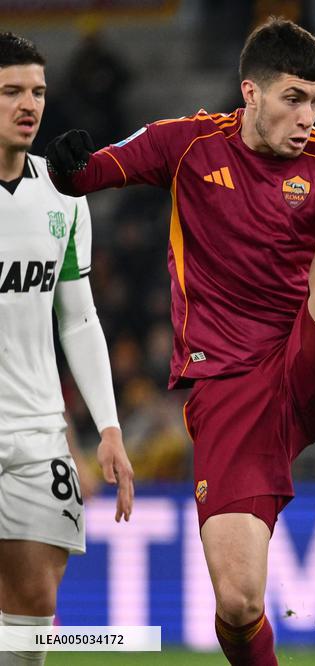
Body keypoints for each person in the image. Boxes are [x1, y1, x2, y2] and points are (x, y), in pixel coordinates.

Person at [44, 18, 315, 666]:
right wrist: (66, 161)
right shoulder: (188, 145)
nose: (308, 116)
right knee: (240, 604)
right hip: (229, 390)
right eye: (294, 98)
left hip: (314, 366)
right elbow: (87, 173)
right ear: (251, 92)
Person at [0, 32, 133, 666]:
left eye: (38, 92)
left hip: (38, 434)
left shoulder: (63, 195)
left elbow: (77, 317)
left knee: (31, 619)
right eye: (11, 92)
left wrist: (107, 427)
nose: (28, 105)